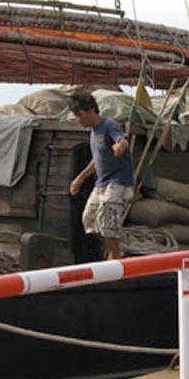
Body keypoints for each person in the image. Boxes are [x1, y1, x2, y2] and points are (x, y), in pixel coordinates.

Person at [69, 91, 135, 260]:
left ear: (90, 111)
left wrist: (120, 146)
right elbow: (96, 160)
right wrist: (80, 178)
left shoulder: (108, 125)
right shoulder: (93, 132)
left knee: (107, 219)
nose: (78, 120)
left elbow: (122, 140)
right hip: (102, 183)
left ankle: (114, 255)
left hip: (118, 182)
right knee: (89, 219)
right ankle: (114, 249)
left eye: (80, 115)